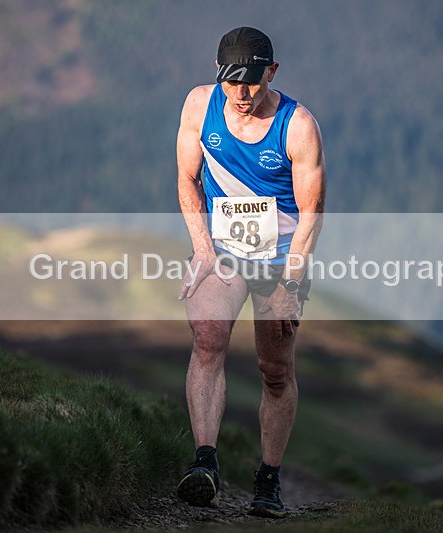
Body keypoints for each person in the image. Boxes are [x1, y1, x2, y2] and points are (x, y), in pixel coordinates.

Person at [174, 26, 326, 519]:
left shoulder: (297, 124)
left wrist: (292, 284)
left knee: (274, 370)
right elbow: (187, 180)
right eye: (231, 82)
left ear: (272, 73)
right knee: (208, 337)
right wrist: (201, 249)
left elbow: (312, 213)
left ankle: (268, 480)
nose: (241, 94)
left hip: (280, 258)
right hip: (223, 249)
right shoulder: (200, 105)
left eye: (252, 83)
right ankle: (205, 464)